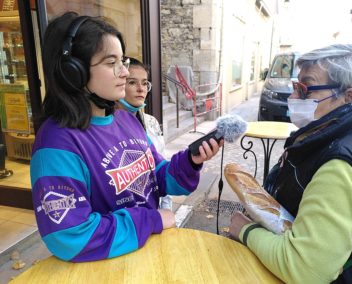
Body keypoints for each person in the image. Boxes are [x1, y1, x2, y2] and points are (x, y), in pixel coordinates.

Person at [30, 12, 221, 262]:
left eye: (124, 61)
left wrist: (190, 162)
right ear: (72, 72)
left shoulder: (126, 119)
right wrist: (150, 220)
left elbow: (158, 177)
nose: (124, 72)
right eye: (111, 63)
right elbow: (70, 236)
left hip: (148, 257)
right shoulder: (56, 144)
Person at [229, 44, 352, 283]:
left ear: (349, 98)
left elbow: (306, 270)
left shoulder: (339, 164)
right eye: (295, 87)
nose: (292, 97)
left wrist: (246, 230)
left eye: (305, 88)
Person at [116, 58, 172, 210]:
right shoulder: (106, 129)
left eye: (145, 83)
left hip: (154, 210)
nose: (141, 89)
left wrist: (166, 208)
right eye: (132, 82)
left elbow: (160, 165)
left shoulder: (151, 123)